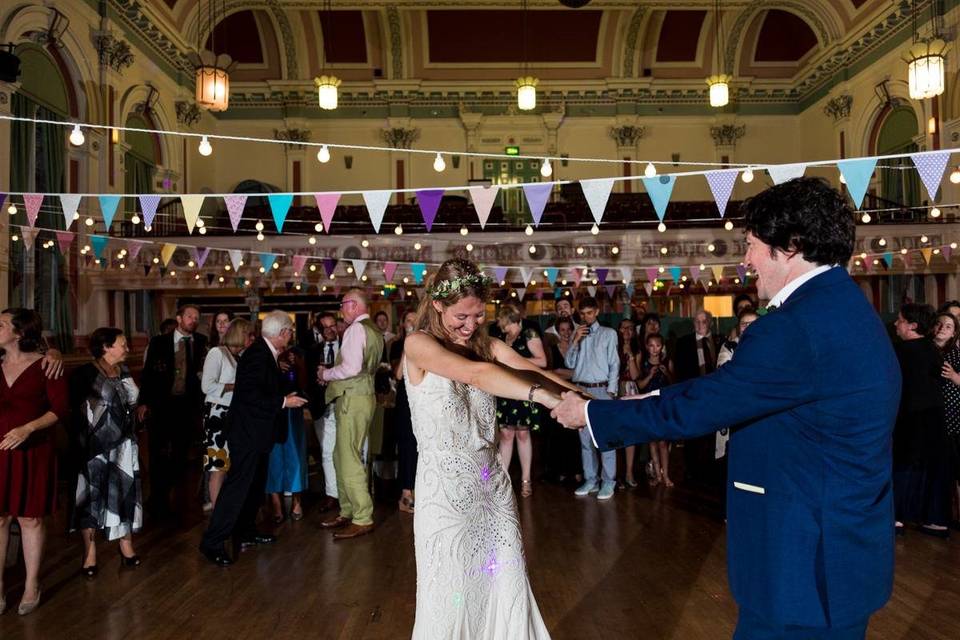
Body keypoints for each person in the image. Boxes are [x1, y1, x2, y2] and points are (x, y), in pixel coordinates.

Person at [552, 177, 902, 638]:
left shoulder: (793, 328)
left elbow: (708, 406)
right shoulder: (848, 309)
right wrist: (645, 398)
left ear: (790, 245)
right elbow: (735, 391)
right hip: (842, 553)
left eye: (752, 244)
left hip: (802, 564)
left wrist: (594, 414)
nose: (746, 259)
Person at [403, 258, 574, 639]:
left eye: (479, 316)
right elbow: (474, 374)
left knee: (507, 584)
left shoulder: (486, 344)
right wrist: (542, 399)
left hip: (492, 488)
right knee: (451, 599)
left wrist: (593, 404)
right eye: (462, 316)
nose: (471, 325)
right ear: (437, 305)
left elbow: (536, 371)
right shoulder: (418, 345)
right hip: (444, 498)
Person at [199, 311, 308, 566]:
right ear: (282, 333)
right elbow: (250, 396)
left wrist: (286, 387)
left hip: (257, 433)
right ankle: (212, 541)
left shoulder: (265, 353)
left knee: (254, 487)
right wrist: (284, 401)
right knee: (237, 488)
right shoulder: (258, 354)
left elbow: (263, 386)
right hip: (247, 433)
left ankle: (245, 531)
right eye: (290, 331)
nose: (291, 335)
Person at [0, 308, 69, 616]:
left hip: (33, 451)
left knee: (30, 519)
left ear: (19, 332)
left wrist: (27, 428)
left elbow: (60, 409)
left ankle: (31, 584)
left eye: (1, 324)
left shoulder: (47, 366)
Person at [69, 327, 142, 578]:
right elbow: (75, 412)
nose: (127, 348)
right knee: (91, 497)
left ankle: (126, 545)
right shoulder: (85, 374)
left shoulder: (123, 371)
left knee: (124, 492)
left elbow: (132, 402)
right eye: (122, 344)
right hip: (94, 447)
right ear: (106, 347)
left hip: (123, 444)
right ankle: (89, 554)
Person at [317, 289, 384, 540]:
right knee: (340, 455)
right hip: (363, 396)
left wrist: (325, 374)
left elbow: (351, 367)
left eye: (343, 304)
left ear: (354, 305)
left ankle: (362, 516)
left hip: (353, 398)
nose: (340, 309)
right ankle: (347, 510)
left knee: (350, 456)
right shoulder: (373, 330)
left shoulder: (356, 329)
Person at [138, 304, 208, 518]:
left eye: (196, 317)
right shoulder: (160, 342)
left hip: (188, 406)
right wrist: (143, 402)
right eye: (189, 316)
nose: (193, 320)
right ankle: (157, 498)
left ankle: (177, 498)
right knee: (158, 451)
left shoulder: (202, 342)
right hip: (162, 404)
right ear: (179, 318)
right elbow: (148, 374)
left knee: (181, 452)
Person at [892, 304, 950, 538]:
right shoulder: (932, 349)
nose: (896, 324)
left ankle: (896, 517)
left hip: (910, 414)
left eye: (900, 320)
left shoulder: (902, 351)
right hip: (935, 413)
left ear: (912, 325)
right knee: (935, 467)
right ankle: (936, 520)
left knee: (904, 464)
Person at [565, 296, 619, 501]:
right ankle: (591, 479)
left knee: (605, 437)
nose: (586, 317)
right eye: (582, 313)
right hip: (581, 390)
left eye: (589, 313)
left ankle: (609, 481)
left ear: (596, 312)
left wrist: (612, 390)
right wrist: (575, 341)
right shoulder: (577, 334)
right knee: (585, 439)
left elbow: (614, 362)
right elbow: (569, 363)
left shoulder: (608, 334)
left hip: (602, 390)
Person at [495, 304, 548, 497]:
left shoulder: (529, 333)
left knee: (523, 434)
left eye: (505, 324)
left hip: (525, 389)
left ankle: (526, 480)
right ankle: (503, 480)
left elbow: (542, 361)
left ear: (513, 320)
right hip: (505, 389)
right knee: (506, 434)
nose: (503, 328)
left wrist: (515, 360)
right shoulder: (504, 337)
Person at [201, 318, 253, 511]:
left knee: (232, 464)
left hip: (234, 413)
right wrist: (235, 387)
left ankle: (230, 508)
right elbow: (207, 386)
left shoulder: (239, 356)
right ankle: (217, 509)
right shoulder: (217, 353)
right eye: (249, 334)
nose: (252, 338)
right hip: (217, 413)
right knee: (218, 465)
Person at [266, 346, 309, 523]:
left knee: (295, 455)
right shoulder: (264, 355)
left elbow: (304, 383)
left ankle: (297, 501)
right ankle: (276, 504)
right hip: (271, 411)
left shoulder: (294, 354)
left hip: (293, 411)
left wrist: (297, 364)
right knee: (273, 457)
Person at [305, 311, 340, 513]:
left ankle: (347, 493)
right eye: (325, 327)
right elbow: (307, 379)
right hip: (321, 408)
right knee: (327, 453)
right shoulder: (312, 351)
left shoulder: (347, 348)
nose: (330, 330)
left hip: (344, 405)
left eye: (333, 325)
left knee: (346, 452)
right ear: (319, 330)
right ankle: (331, 494)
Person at [932, 311, 960, 523]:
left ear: (953, 334)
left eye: (948, 326)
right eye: (939, 324)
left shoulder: (956, 355)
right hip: (932, 417)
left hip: (954, 420)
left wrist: (954, 376)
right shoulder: (926, 350)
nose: (942, 329)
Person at [635, 333, 673, 487]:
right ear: (646, 347)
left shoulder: (667, 362)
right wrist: (650, 375)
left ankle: (666, 475)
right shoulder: (644, 364)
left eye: (657, 345)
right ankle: (657, 475)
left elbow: (674, 383)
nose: (654, 349)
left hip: (662, 405)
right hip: (648, 405)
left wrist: (667, 373)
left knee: (663, 442)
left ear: (662, 346)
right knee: (652, 442)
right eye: (651, 345)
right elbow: (641, 386)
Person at [390, 310, 418, 513]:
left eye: (415, 321)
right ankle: (406, 492)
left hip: (422, 398)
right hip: (405, 399)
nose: (412, 323)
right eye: (409, 320)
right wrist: (408, 344)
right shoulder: (397, 345)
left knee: (421, 444)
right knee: (407, 444)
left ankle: (420, 489)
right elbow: (399, 374)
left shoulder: (428, 344)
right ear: (402, 324)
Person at [617, 318, 641, 488]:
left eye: (630, 328)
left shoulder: (637, 350)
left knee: (630, 433)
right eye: (624, 328)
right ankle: (616, 474)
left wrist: (631, 356)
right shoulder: (613, 347)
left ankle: (629, 472)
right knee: (616, 433)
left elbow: (634, 375)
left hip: (630, 389)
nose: (627, 331)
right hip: (615, 388)